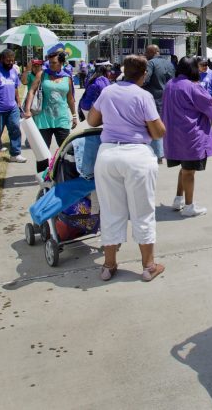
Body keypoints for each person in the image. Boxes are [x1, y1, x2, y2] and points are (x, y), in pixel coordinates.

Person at [87, 55, 166, 282]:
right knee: (143, 211)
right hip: (137, 156)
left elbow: (92, 120)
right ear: (144, 74)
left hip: (108, 154)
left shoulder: (108, 91)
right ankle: (148, 266)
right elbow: (158, 131)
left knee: (111, 210)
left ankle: (109, 265)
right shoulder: (144, 95)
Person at [162, 56, 212, 217]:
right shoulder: (192, 86)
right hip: (190, 134)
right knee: (189, 171)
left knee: (184, 168)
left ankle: (178, 199)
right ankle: (189, 206)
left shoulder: (170, 84)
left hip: (174, 133)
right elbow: (209, 104)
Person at [24, 45, 78, 172]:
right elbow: (31, 91)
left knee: (66, 150)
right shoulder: (42, 74)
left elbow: (70, 99)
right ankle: (43, 177)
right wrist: (27, 110)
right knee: (42, 151)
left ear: (61, 63)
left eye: (54, 63)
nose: (50, 65)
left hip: (62, 119)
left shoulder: (67, 77)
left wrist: (74, 116)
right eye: (49, 62)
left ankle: (66, 174)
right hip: (43, 119)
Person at [0, 49, 26, 164]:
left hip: (12, 107)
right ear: (2, 59)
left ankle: (15, 154)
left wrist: (18, 102)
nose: (11, 63)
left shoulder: (12, 70)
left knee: (15, 129)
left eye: (12, 61)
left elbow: (15, 87)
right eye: (8, 61)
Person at [143, 44, 175, 162]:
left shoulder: (150, 63)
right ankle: (167, 150)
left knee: (154, 124)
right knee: (166, 124)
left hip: (154, 99)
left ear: (153, 51)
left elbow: (145, 79)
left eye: (147, 52)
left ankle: (158, 154)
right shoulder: (169, 64)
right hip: (169, 99)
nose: (145, 54)